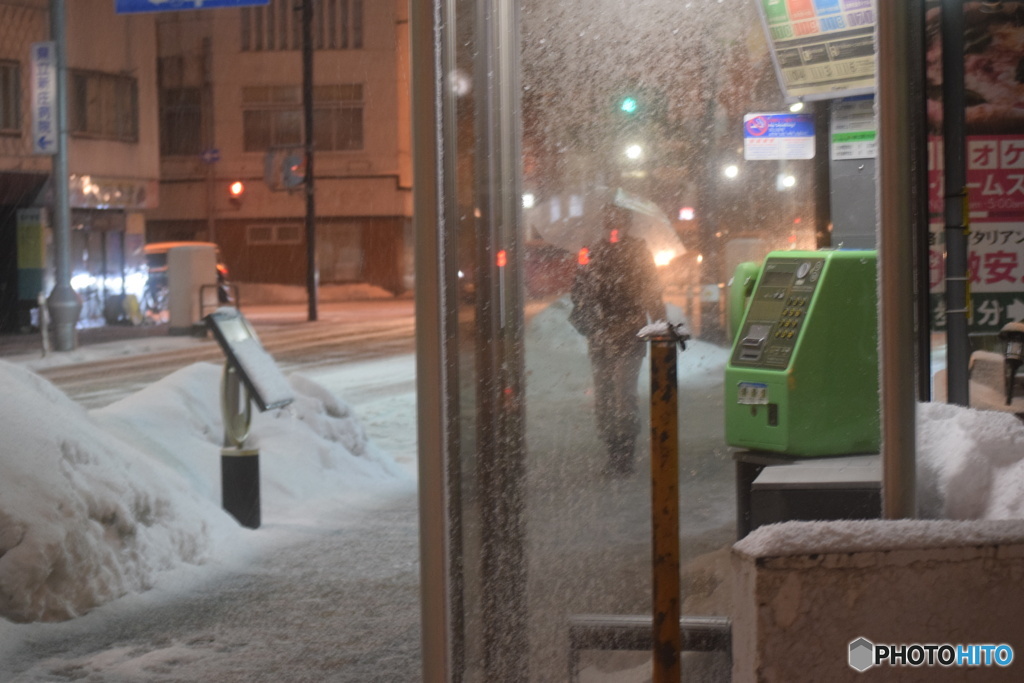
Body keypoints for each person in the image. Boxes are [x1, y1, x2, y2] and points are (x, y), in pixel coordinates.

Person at [569, 205, 666, 474]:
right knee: (605, 396)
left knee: (623, 393)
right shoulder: (593, 252)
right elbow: (579, 290)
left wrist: (659, 326)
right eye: (609, 222)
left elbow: (652, 288)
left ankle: (624, 451)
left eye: (618, 222)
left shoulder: (638, 250)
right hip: (602, 334)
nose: (613, 228)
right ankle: (613, 448)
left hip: (629, 331)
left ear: (627, 224)